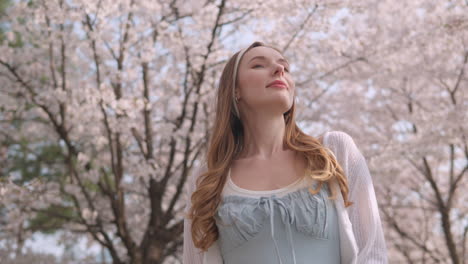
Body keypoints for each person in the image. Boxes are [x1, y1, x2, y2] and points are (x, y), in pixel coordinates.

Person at [183, 41, 388, 264]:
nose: (279, 69)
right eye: (259, 65)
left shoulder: (334, 152)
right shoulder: (209, 179)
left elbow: (372, 253)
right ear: (235, 90)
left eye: (285, 67)